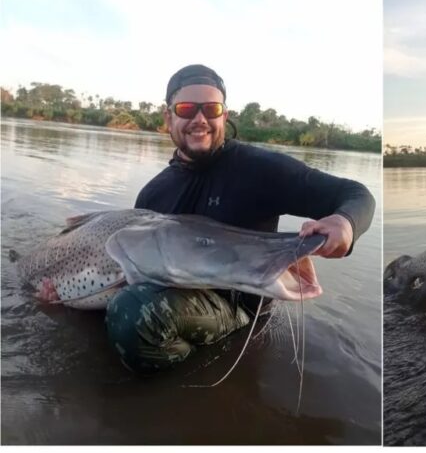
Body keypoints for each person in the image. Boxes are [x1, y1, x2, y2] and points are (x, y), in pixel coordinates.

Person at [105, 64, 376, 373]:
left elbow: (356, 194)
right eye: (186, 109)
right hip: (169, 291)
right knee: (116, 306)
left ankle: (194, 380)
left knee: (134, 312)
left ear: (224, 115)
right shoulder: (152, 194)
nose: (199, 120)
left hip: (239, 305)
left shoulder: (259, 169)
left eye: (211, 109)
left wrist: (345, 223)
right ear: (168, 117)